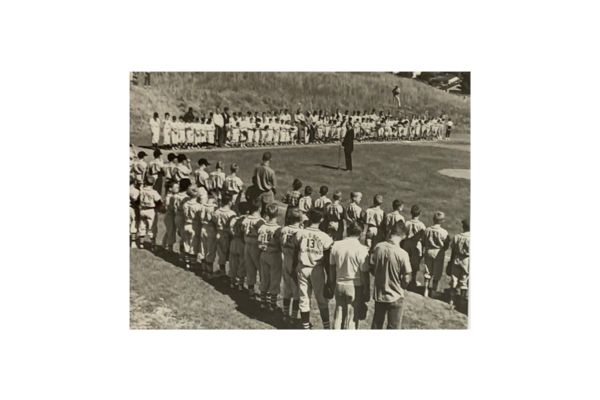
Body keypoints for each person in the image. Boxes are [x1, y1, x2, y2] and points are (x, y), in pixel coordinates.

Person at [292, 208, 334, 329]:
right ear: (321, 219)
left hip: (302, 268)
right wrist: (329, 278)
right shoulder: (325, 236)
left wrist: (293, 267)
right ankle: (326, 327)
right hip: (317, 269)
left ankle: (305, 327)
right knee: (322, 300)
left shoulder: (300, 233)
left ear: (309, 218)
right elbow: (327, 259)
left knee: (304, 298)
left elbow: (296, 251)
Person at [370, 221, 412, 329]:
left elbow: (372, 268)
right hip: (396, 295)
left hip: (379, 294)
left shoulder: (378, 247)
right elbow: (407, 278)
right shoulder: (403, 254)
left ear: (390, 232)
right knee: (393, 328)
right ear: (403, 235)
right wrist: (403, 285)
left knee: (376, 325)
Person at [330, 221, 370, 329]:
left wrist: (331, 283)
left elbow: (332, 267)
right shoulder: (362, 249)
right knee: (351, 318)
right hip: (354, 285)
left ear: (347, 231)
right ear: (361, 234)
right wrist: (367, 289)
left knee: (338, 314)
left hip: (339, 284)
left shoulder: (336, 245)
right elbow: (364, 272)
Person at [257, 203, 283, 310]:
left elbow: (258, 240)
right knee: (275, 279)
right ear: (277, 215)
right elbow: (281, 244)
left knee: (264, 278)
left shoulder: (262, 226)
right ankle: (272, 304)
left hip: (263, 254)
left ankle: (263, 302)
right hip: (274, 255)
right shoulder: (278, 229)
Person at [280, 208, 303, 325]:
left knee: (286, 289)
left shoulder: (284, 229)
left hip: (285, 260)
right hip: (294, 263)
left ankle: (285, 315)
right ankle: (293, 317)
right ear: (300, 219)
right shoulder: (300, 232)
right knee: (296, 293)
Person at [419, 211, 450, 297]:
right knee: (437, 273)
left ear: (433, 219)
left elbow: (423, 241)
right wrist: (443, 249)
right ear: (442, 221)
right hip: (438, 252)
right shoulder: (444, 232)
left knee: (428, 271)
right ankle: (433, 292)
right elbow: (447, 244)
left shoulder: (428, 229)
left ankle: (425, 290)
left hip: (429, 251)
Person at [242, 199, 266, 299]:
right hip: (256, 247)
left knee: (250, 268)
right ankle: (263, 292)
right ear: (260, 208)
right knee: (261, 270)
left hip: (247, 245)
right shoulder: (261, 221)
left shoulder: (245, 219)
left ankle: (251, 290)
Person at [446, 217, 470, 311]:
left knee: (454, 279)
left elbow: (453, 251)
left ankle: (451, 300)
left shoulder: (457, 236)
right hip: (466, 260)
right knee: (464, 280)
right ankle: (462, 301)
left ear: (463, 226)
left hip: (456, 259)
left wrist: (451, 261)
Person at [212, 193, 237, 278]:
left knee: (221, 254)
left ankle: (222, 271)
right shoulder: (231, 213)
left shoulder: (217, 211)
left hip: (218, 233)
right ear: (229, 202)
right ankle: (229, 272)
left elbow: (214, 221)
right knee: (229, 254)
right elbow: (232, 227)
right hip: (226, 236)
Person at [403, 205, 427, 291]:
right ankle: (413, 280)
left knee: (406, 261)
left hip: (407, 243)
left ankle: (404, 280)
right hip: (417, 245)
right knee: (415, 263)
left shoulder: (407, 223)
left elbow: (403, 234)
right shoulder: (422, 225)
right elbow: (424, 237)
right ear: (420, 214)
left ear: (411, 213)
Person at [137, 176, 162, 250]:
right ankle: (153, 245)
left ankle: (141, 244)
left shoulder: (141, 190)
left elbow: (138, 200)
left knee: (142, 226)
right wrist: (158, 209)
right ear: (153, 183)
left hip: (142, 210)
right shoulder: (154, 192)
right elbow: (159, 202)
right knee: (152, 227)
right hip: (151, 211)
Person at [251, 152, 277, 216]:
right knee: (267, 213)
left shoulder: (257, 169)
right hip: (268, 193)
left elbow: (253, 180)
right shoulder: (271, 171)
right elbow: (274, 185)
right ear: (270, 160)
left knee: (257, 212)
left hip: (258, 192)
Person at [129, 177, 140, 248]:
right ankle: (133, 242)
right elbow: (136, 200)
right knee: (134, 223)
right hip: (132, 208)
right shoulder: (136, 191)